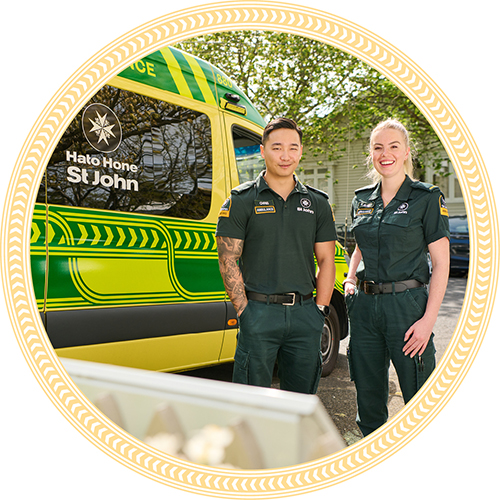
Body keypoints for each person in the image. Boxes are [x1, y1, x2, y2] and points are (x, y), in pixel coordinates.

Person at [343, 118, 450, 436]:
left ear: (405, 152)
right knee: (368, 398)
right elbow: (360, 246)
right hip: (363, 309)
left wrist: (429, 320)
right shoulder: (361, 199)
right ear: (371, 154)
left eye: (392, 146)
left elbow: (441, 264)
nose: (384, 153)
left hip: (407, 307)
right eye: (378, 147)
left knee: (419, 399)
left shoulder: (426, 197)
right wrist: (350, 279)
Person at [215, 117, 337, 394]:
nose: (285, 156)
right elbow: (228, 258)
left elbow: (327, 260)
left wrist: (320, 310)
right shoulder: (241, 200)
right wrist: (245, 311)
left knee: (300, 403)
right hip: (258, 312)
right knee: (250, 403)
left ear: (301, 151)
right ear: (262, 150)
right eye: (277, 147)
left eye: (293, 148)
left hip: (305, 315)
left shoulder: (317, 203)